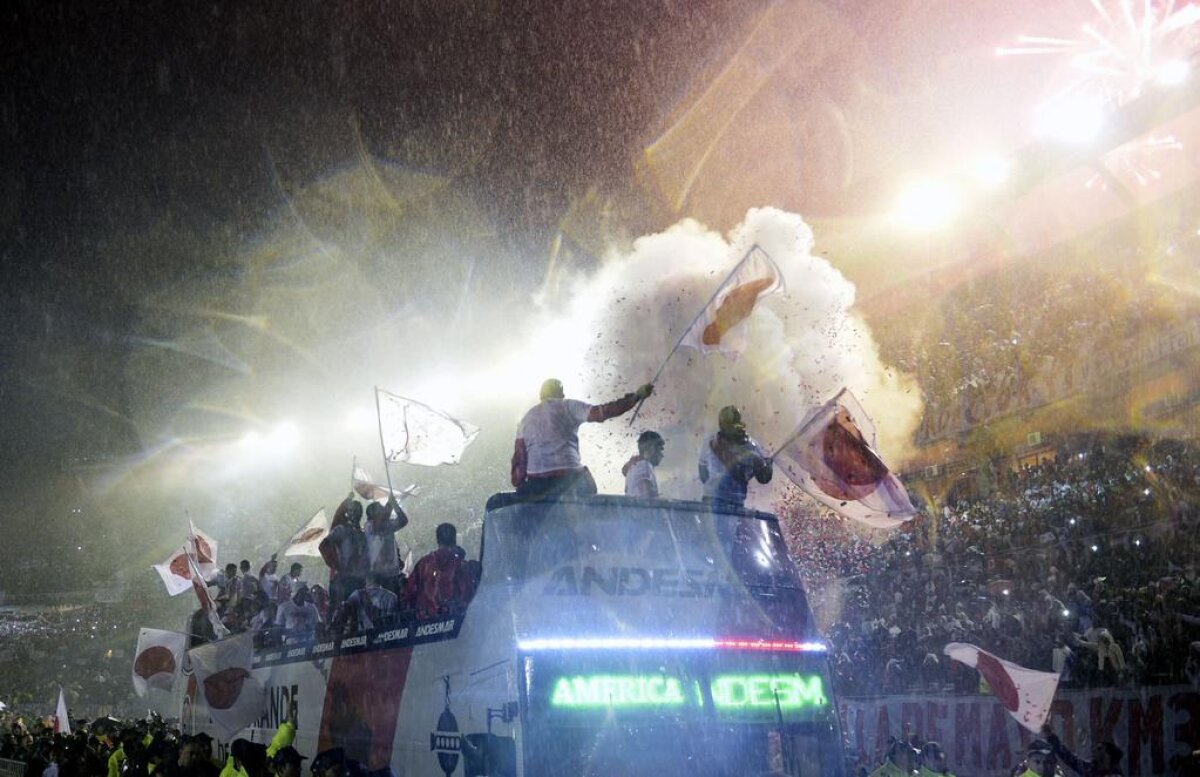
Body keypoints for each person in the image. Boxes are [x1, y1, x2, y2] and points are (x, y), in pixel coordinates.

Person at [511, 378, 653, 498]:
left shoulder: (525, 419)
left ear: (541, 395)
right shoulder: (568, 406)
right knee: (589, 486)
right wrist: (636, 397)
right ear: (562, 394)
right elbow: (602, 413)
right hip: (571, 482)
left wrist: (522, 490)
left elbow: (519, 465)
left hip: (538, 486)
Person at [698, 405, 772, 506]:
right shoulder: (751, 446)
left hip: (727, 502)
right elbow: (764, 477)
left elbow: (764, 477)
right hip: (719, 501)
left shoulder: (750, 445)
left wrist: (767, 466)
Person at [405, 523, 473, 619]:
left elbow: (409, 592)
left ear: (437, 540)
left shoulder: (423, 564)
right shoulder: (461, 566)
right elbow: (468, 597)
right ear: (454, 540)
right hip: (454, 624)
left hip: (423, 622)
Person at [321, 497, 368, 610]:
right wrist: (335, 563)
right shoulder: (341, 530)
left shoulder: (363, 533)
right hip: (344, 578)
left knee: (357, 611)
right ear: (347, 513)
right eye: (351, 511)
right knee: (340, 611)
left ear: (361, 513)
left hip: (359, 578)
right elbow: (324, 545)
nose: (353, 513)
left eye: (356, 510)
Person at [363, 497, 408, 592]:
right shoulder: (369, 526)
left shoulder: (387, 524)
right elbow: (379, 525)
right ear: (372, 514)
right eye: (380, 509)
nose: (382, 510)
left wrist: (395, 506)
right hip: (377, 575)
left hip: (392, 574)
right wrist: (389, 504)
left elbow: (403, 520)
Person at [1043, 726, 1122, 776]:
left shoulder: (1115, 775)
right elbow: (1069, 758)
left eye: (1099, 749)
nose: (1094, 751)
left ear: (1107, 755)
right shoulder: (1090, 769)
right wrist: (1051, 737)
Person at [623, 431, 665, 498]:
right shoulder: (644, 467)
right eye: (660, 449)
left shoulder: (636, 466)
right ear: (652, 448)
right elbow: (646, 496)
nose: (662, 455)